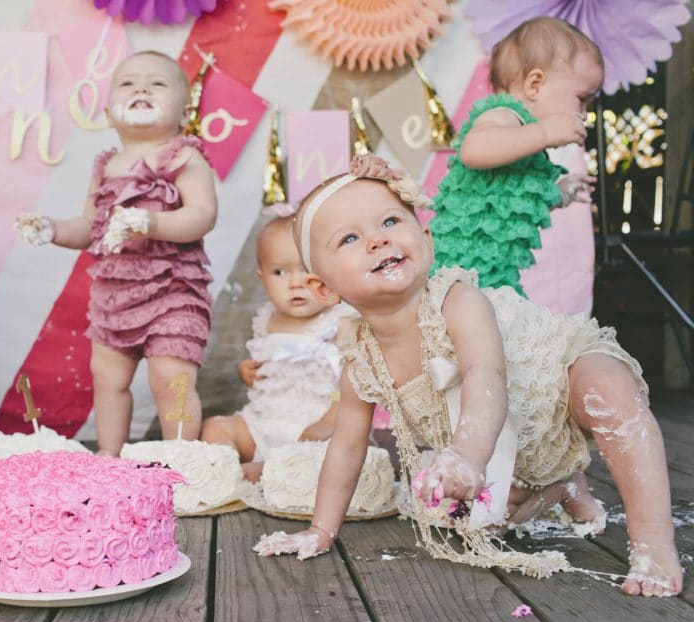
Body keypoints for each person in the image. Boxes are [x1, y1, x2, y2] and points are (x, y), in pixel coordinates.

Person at [256, 154, 682, 598]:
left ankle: (653, 540)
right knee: (489, 518)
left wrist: (465, 457)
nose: (378, 241)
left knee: (608, 391)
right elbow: (346, 449)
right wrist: (320, 530)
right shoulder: (361, 361)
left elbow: (486, 377)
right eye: (349, 237)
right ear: (324, 289)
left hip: (556, 378)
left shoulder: (457, 301)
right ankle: (562, 486)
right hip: (505, 443)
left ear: (425, 237)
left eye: (389, 222)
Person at [14, 51, 217, 455]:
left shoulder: (184, 157)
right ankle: (110, 457)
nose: (141, 87)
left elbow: (203, 215)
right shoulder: (106, 166)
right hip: (115, 295)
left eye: (157, 83)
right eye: (128, 83)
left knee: (169, 376)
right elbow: (90, 227)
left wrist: (153, 222)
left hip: (173, 289)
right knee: (107, 379)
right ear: (109, 113)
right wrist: (53, 228)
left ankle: (182, 457)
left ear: (184, 112)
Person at [430, 17, 602, 295]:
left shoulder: (523, 141)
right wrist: (546, 132)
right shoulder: (503, 115)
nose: (582, 113)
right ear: (535, 85)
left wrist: (558, 193)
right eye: (581, 99)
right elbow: (473, 151)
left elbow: (515, 196)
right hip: (462, 268)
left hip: (494, 271)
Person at [201, 213, 355, 481]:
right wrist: (246, 371)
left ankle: (264, 473)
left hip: (315, 426)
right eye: (280, 272)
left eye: (307, 269)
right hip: (264, 422)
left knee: (334, 454)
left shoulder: (339, 322)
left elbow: (355, 385)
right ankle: (228, 475)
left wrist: (329, 422)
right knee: (215, 427)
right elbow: (269, 369)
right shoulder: (266, 319)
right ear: (262, 278)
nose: (295, 283)